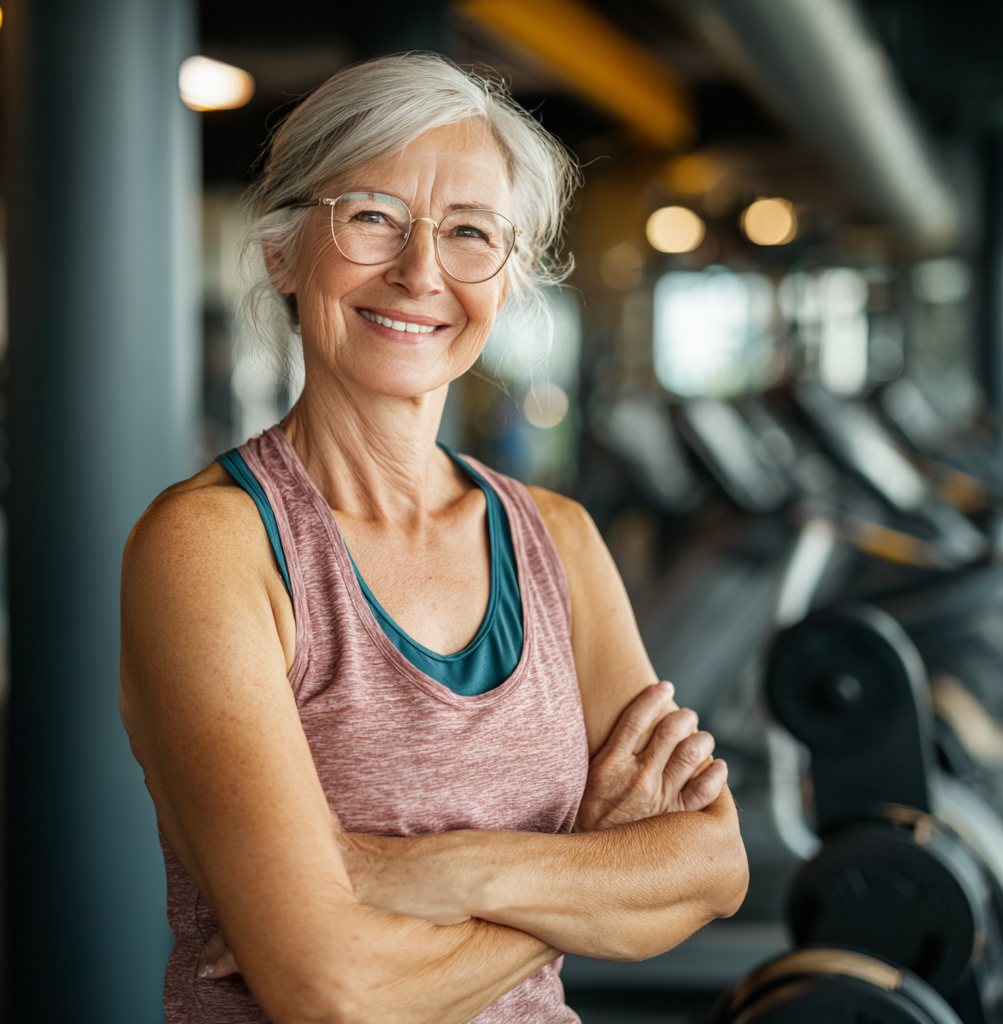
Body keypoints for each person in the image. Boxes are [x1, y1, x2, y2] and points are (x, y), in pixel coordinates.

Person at [120, 53, 747, 1024]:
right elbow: (331, 994)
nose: (420, 272)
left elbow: (710, 865)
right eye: (371, 216)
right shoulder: (212, 547)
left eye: (468, 233)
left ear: (507, 278)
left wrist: (436, 870)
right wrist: (583, 877)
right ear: (283, 250)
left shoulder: (558, 540)